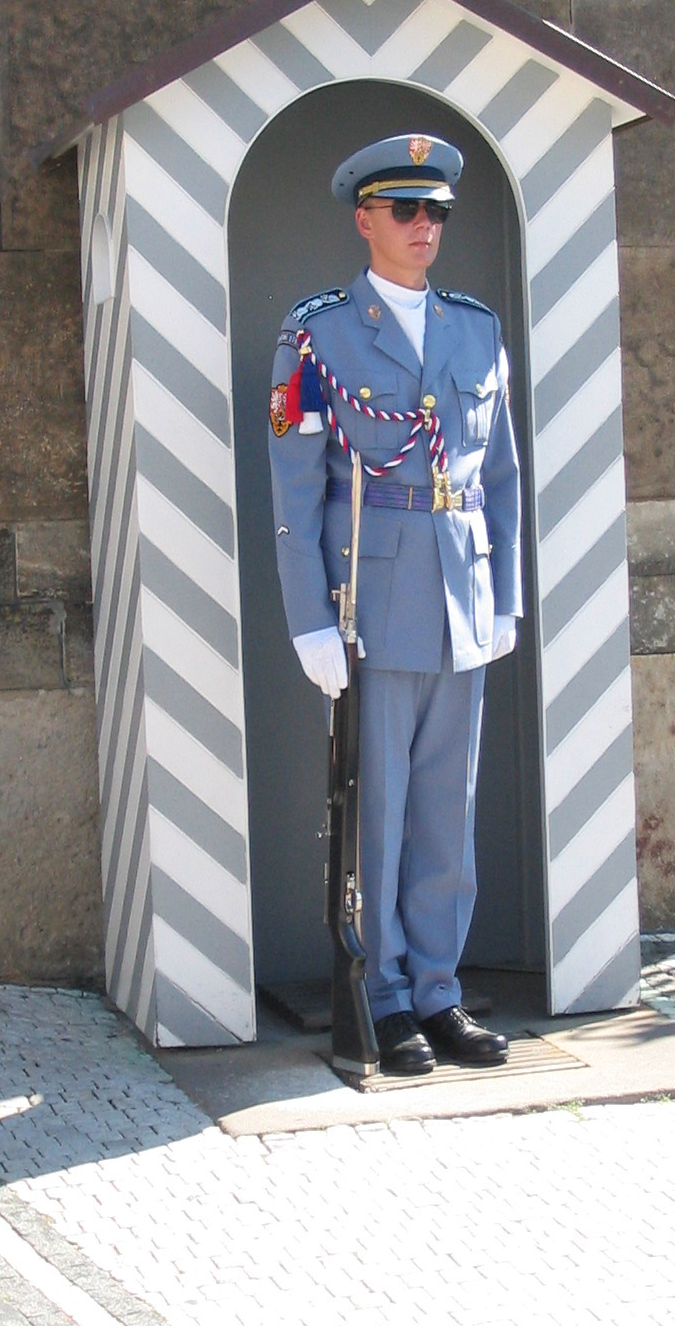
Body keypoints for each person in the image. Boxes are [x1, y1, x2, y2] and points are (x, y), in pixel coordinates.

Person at [267, 133, 522, 1076]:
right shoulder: (318, 333)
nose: (424, 227)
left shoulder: (475, 328)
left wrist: (506, 596)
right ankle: (380, 996)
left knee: (448, 811)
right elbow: (296, 485)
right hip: (370, 600)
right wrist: (308, 617)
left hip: (462, 591)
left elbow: (500, 475)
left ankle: (439, 991)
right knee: (375, 810)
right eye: (405, 210)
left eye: (436, 212)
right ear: (364, 220)